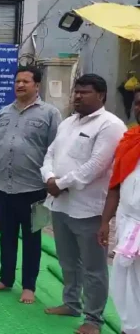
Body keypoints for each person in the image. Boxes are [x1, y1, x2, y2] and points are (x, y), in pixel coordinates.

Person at [41, 74, 125, 334]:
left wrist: (61, 183)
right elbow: (50, 154)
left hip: (88, 208)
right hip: (60, 204)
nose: (77, 96)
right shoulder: (68, 122)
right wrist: (49, 177)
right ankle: (71, 303)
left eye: (84, 92)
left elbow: (97, 166)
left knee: (93, 267)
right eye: (76, 91)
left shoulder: (111, 125)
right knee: (68, 260)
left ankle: (93, 319)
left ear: (101, 95)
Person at [0, 66, 62, 304]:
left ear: (37, 85)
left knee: (32, 238)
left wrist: (52, 181)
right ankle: (5, 278)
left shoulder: (50, 114)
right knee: (6, 236)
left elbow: (56, 149)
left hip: (34, 189)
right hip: (3, 187)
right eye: (17, 81)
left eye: (26, 81)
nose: (20, 85)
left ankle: (29, 286)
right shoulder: (3, 113)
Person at [99, 87, 140, 334]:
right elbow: (115, 184)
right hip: (127, 221)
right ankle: (130, 328)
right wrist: (105, 222)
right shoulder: (130, 140)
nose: (139, 108)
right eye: (137, 103)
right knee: (124, 280)